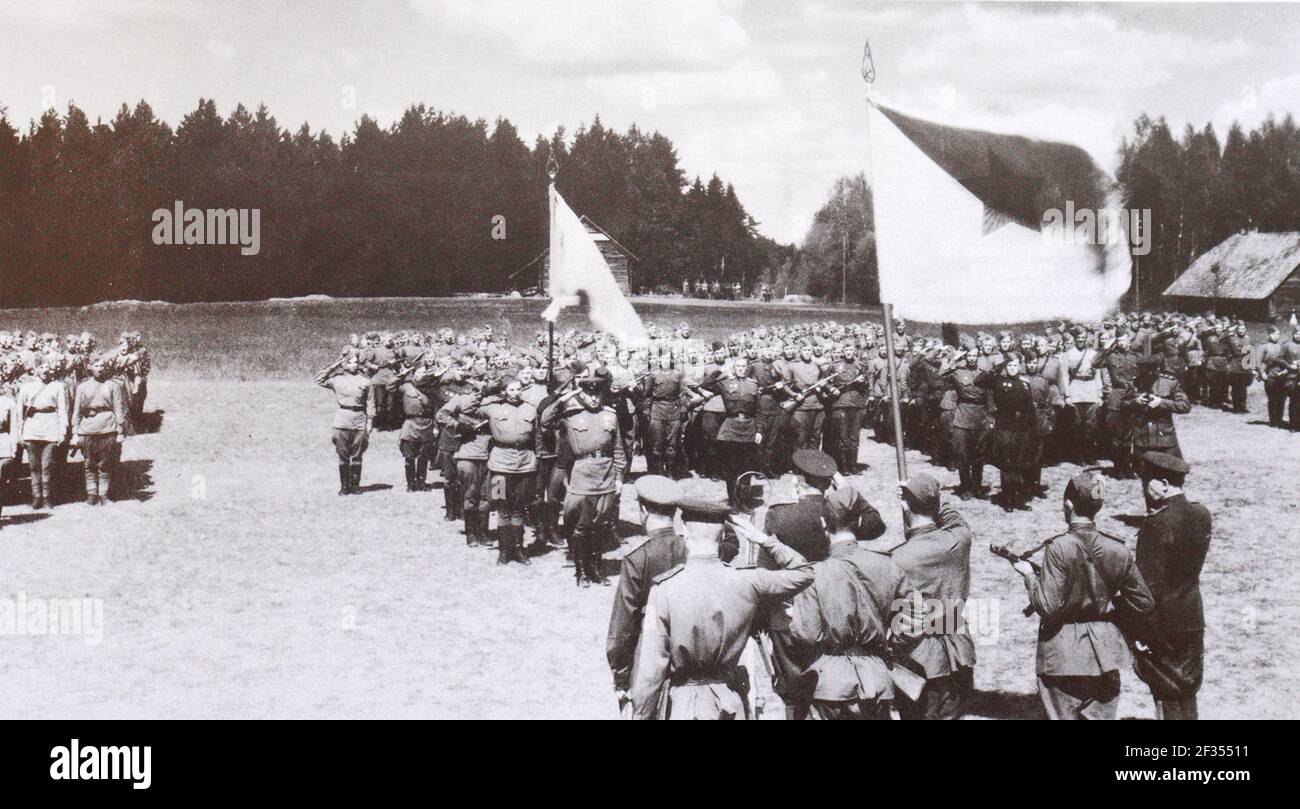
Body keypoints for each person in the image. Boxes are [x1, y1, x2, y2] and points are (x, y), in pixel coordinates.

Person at [629, 498, 814, 719]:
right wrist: (762, 539)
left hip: (685, 707)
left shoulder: (665, 589)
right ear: (721, 537)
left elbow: (650, 672)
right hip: (731, 701)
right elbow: (804, 571)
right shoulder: (747, 580)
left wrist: (641, 715)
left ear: (685, 533)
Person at [1005, 470, 1155, 720]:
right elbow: (1144, 603)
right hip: (1106, 655)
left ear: (1068, 505)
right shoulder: (1118, 549)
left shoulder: (1058, 547)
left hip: (1062, 654)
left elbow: (1047, 606)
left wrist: (1029, 577)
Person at [773, 486, 922, 719]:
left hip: (831, 685)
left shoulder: (814, 574)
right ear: (858, 523)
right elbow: (917, 616)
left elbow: (806, 635)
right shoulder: (889, 566)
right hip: (878, 680)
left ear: (824, 524)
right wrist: (892, 646)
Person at [889, 473, 976, 720]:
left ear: (905, 504)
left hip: (918, 658)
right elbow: (952, 517)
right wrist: (924, 494)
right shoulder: (960, 539)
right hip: (958, 652)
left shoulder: (898, 559)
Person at [1132, 452, 1211, 720]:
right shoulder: (1201, 514)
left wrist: (1142, 632)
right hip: (1191, 616)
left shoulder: (1155, 525)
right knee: (1188, 688)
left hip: (1163, 625)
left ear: (1163, 484)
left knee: (1166, 692)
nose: (1144, 489)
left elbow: (1146, 588)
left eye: (1147, 483)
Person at [606, 475, 687, 715]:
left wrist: (621, 678)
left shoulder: (637, 559)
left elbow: (623, 625)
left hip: (649, 653)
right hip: (688, 651)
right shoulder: (692, 548)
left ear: (643, 511)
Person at [540, 367, 626, 586]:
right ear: (582, 393)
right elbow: (544, 419)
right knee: (580, 526)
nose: (594, 398)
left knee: (601, 525)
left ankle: (595, 568)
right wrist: (563, 398)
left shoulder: (610, 414)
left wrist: (619, 478)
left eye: (597, 393)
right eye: (589, 393)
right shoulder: (570, 414)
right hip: (581, 474)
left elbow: (618, 449)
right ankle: (581, 571)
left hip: (605, 475)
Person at [483, 378, 538, 565]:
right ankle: (504, 551)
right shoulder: (493, 408)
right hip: (500, 465)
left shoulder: (530, 409)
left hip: (524, 464)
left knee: (519, 507)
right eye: (512, 389)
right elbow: (467, 409)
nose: (516, 392)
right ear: (504, 391)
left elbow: (537, 435)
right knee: (501, 507)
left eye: (519, 388)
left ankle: (518, 549)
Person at [437, 373, 493, 546]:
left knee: (491, 496)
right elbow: (441, 415)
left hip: (494, 455)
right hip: (469, 453)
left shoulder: (497, 402)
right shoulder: (462, 400)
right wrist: (459, 426)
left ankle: (484, 532)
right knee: (470, 494)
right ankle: (471, 533)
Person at [699, 356, 760, 505]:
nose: (740, 368)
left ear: (747, 368)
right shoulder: (725, 383)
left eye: (743, 366)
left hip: (749, 426)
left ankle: (744, 499)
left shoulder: (753, 385)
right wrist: (720, 370)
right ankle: (733, 500)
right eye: (737, 366)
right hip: (731, 427)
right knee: (730, 466)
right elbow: (705, 385)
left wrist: (759, 431)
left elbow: (758, 410)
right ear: (733, 368)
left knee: (746, 465)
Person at [315, 354, 375, 496]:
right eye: (350, 362)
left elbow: (371, 403)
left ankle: (355, 486)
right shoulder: (337, 379)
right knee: (342, 455)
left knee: (357, 454)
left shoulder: (365, 381)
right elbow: (319, 379)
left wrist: (370, 421)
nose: (353, 365)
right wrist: (335, 365)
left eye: (355, 362)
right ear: (345, 364)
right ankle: (344, 486)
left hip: (359, 420)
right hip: (342, 420)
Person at [70, 358, 127, 505]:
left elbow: (118, 409)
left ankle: (103, 495)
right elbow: (76, 410)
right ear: (89, 367)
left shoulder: (113, 386)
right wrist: (75, 432)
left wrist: (120, 431)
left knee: (105, 464)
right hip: (87, 429)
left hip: (107, 428)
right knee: (89, 464)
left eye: (102, 364)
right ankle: (91, 495)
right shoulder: (82, 387)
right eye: (96, 365)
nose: (100, 368)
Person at [17, 362, 69, 509]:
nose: (46, 370)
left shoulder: (57, 386)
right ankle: (36, 496)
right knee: (34, 466)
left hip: (50, 426)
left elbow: (62, 409)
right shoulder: (26, 387)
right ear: (35, 369)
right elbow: (20, 411)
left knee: (47, 465)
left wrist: (62, 431)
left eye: (48, 367)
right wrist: (21, 433)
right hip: (32, 428)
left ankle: (46, 496)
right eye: (41, 367)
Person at [1124, 356, 1190, 461]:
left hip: (1164, 438)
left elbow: (1185, 406)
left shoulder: (1170, 383)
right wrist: (1135, 402)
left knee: (1174, 471)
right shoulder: (1134, 384)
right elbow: (1123, 406)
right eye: (1144, 371)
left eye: (1151, 372)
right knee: (1143, 472)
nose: (1148, 375)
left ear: (1158, 369)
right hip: (1142, 439)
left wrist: (1162, 402)